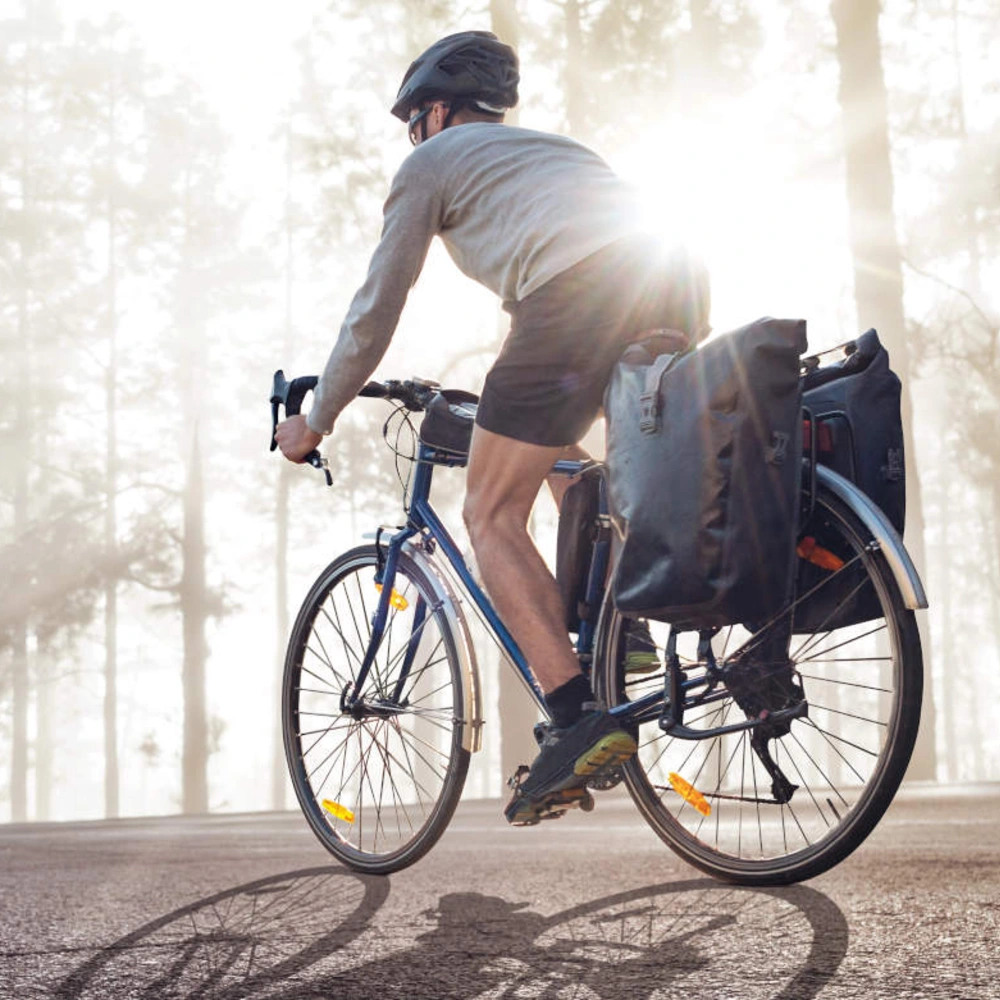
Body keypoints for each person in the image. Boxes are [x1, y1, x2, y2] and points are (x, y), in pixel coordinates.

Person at [275, 30, 710, 824]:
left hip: (576, 294)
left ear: (438, 111)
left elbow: (376, 310)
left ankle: (576, 717)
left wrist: (316, 415)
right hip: (675, 279)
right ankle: (628, 626)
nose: (414, 136)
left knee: (487, 511)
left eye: (415, 121)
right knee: (561, 460)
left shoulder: (431, 164)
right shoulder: (551, 151)